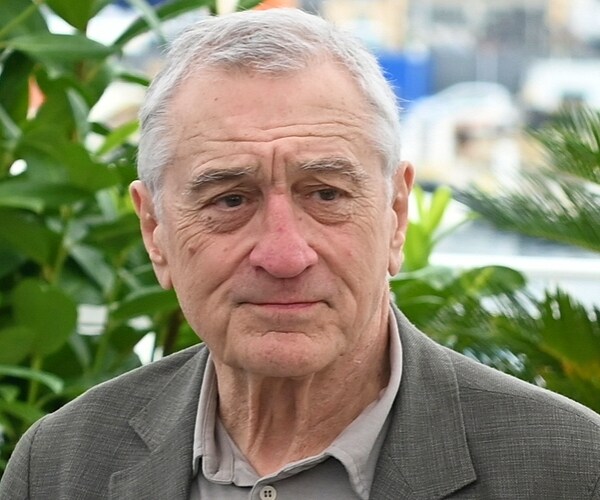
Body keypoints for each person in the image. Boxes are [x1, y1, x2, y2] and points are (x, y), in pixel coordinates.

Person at [1, 8, 599, 500]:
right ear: (154, 229)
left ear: (395, 215)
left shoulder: (571, 473)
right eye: (230, 199)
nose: (285, 255)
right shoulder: (58, 468)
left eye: (327, 194)